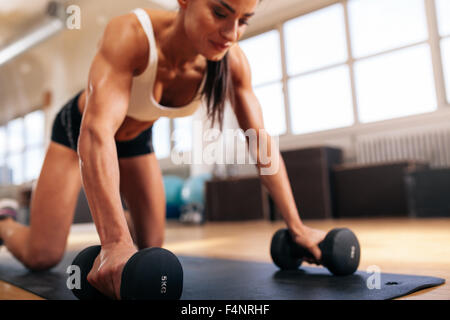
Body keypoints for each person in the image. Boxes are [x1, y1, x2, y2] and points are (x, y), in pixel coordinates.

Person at [0, 0, 326, 300]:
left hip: (136, 142)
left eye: (243, 21)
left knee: (151, 248)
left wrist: (296, 227)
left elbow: (261, 144)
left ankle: (119, 221)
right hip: (77, 131)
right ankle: (4, 220)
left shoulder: (232, 62)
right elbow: (97, 131)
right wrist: (114, 242)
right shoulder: (131, 34)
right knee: (41, 256)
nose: (231, 33)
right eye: (220, 12)